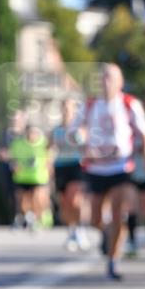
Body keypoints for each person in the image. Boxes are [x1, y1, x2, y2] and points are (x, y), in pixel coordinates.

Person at [73, 64, 145, 280]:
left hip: (121, 167)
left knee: (119, 212)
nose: (106, 82)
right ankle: (107, 234)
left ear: (120, 81)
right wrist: (81, 140)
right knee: (94, 219)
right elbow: (72, 132)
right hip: (96, 167)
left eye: (111, 78)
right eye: (103, 78)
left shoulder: (129, 104)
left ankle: (112, 261)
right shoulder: (89, 105)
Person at [50, 98, 89, 251]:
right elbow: (50, 148)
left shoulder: (80, 128)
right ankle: (71, 231)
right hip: (61, 166)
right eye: (64, 108)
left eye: (70, 108)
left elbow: (87, 145)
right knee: (64, 203)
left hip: (76, 165)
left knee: (75, 201)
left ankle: (80, 229)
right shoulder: (56, 130)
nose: (67, 111)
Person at [8, 124, 51, 229]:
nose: (32, 135)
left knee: (37, 199)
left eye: (34, 132)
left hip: (39, 177)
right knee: (23, 202)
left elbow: (50, 158)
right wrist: (14, 165)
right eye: (30, 132)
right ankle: (28, 217)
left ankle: (38, 219)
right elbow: (12, 158)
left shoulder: (44, 143)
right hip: (22, 177)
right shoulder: (17, 144)